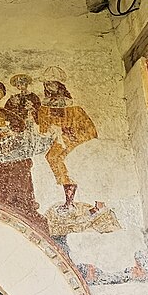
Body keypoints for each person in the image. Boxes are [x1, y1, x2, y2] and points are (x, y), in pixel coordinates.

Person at [37, 69, 98, 208]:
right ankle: (67, 196)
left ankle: (72, 198)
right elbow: (43, 130)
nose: (49, 87)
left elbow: (90, 131)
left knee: (66, 159)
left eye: (52, 84)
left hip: (76, 141)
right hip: (60, 141)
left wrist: (70, 134)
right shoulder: (44, 109)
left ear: (60, 86)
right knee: (52, 157)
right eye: (47, 84)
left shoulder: (74, 109)